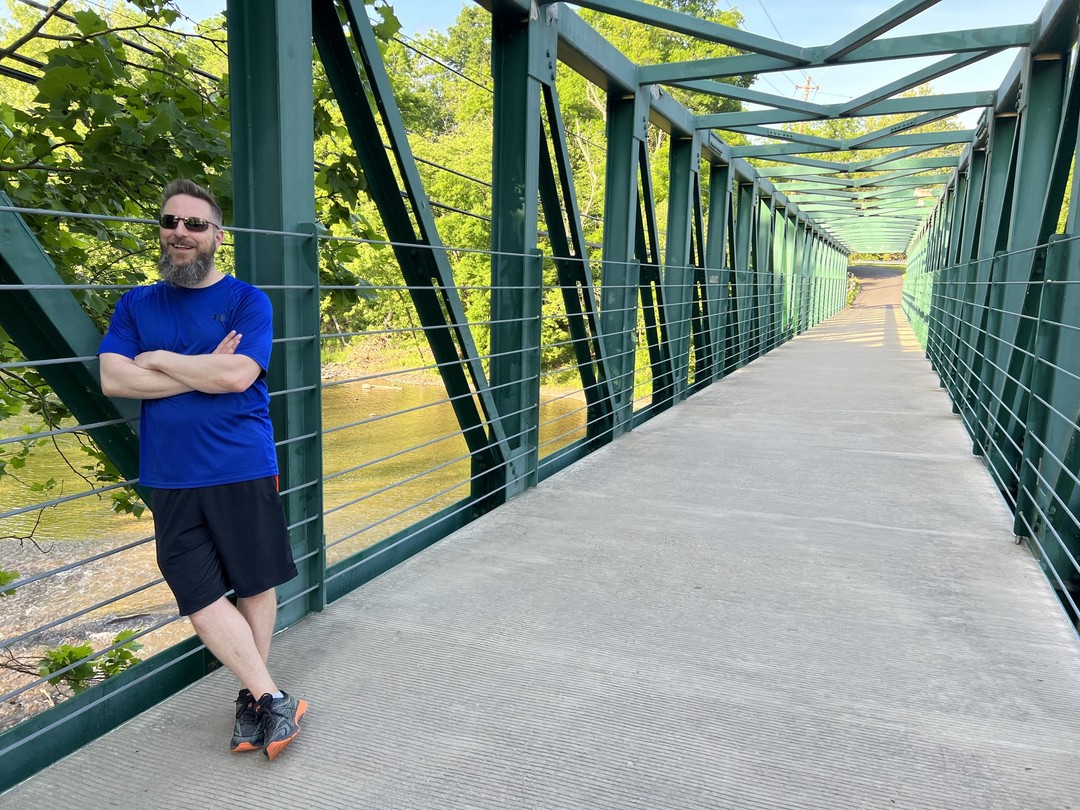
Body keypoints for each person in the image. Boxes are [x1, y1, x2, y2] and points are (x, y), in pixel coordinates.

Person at [98, 179, 307, 761]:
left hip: (240, 463)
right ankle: (272, 695)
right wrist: (200, 368)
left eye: (194, 224)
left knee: (254, 580)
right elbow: (115, 380)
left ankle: (252, 700)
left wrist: (161, 360)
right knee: (196, 592)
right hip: (169, 473)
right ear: (161, 232)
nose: (181, 233)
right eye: (170, 222)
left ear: (218, 235)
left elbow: (238, 376)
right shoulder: (137, 303)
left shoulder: (247, 301)